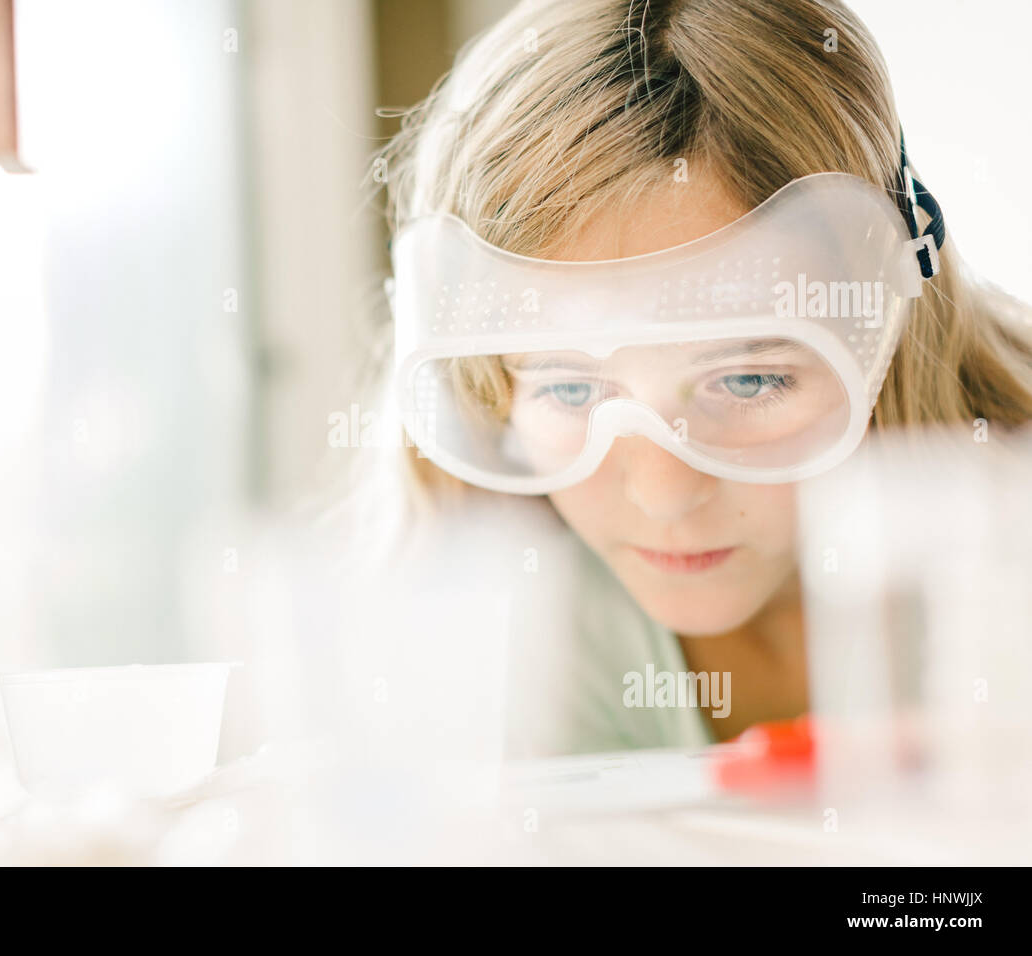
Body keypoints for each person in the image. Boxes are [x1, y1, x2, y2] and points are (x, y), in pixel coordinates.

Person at [334, 0, 1032, 754]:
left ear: (882, 324)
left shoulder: (1003, 562)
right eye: (570, 390)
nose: (664, 496)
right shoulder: (519, 630)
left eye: (749, 381)